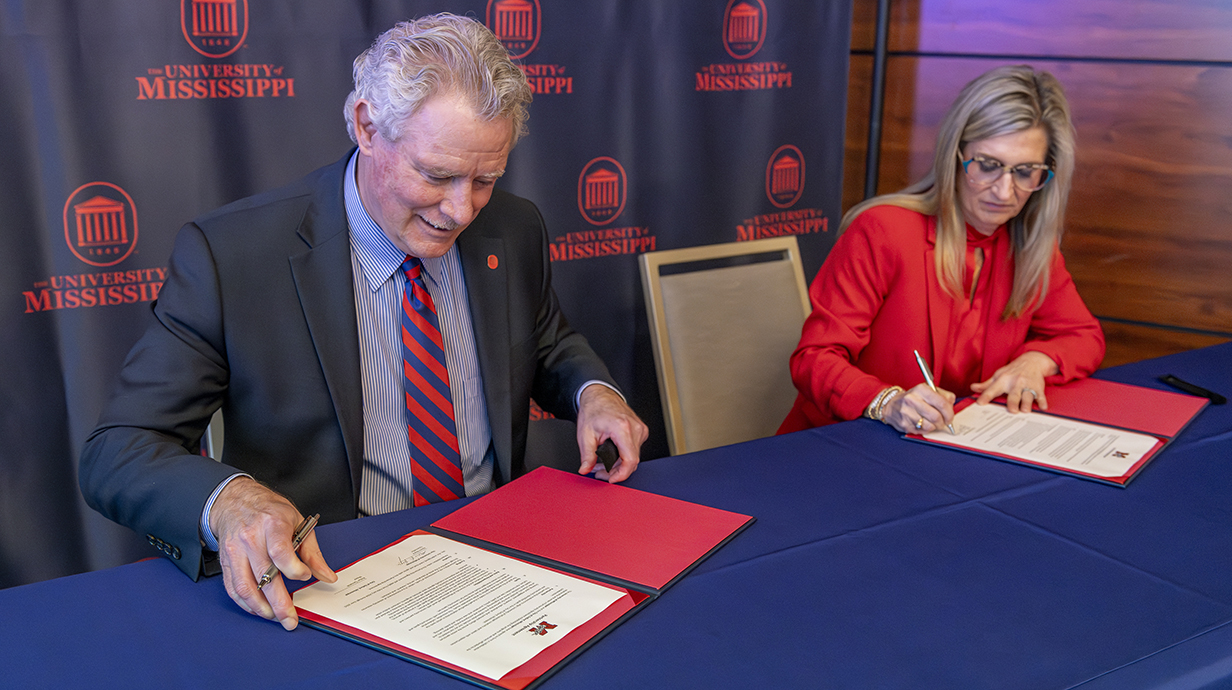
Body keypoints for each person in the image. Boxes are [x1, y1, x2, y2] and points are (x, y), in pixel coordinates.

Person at [79, 14, 647, 631]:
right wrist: (229, 502)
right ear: (367, 126)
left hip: (505, 564)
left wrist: (594, 392)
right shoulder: (232, 258)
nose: (461, 210)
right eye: (435, 175)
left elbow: (544, 340)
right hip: (338, 578)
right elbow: (119, 451)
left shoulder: (513, 227)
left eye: (485, 179)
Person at [778, 65, 1104, 436]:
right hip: (846, 444)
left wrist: (1036, 361)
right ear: (955, 156)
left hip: (951, 451)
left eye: (1025, 171)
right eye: (988, 166)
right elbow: (814, 359)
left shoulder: (1030, 247)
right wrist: (887, 402)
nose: (1004, 192)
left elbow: (1084, 336)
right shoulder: (883, 229)